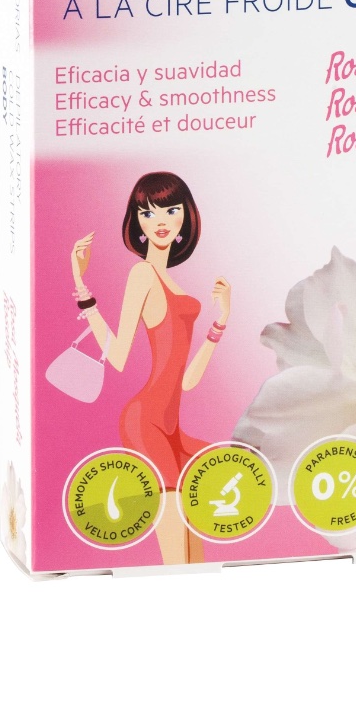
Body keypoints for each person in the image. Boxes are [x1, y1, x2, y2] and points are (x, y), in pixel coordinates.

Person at [71, 170, 231, 565]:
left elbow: (187, 381)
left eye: (170, 210)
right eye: (148, 212)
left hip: (173, 427)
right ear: (137, 222)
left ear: (185, 216)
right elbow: (119, 356)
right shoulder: (142, 274)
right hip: (145, 422)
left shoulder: (170, 281)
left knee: (196, 549)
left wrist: (220, 321)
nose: (160, 221)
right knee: (177, 553)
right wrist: (81, 287)